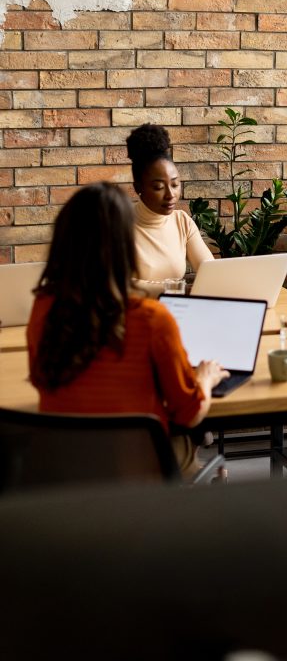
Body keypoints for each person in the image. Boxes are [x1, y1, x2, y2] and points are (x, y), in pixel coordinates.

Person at [27, 183, 227, 474]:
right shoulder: (152, 319)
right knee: (192, 438)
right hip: (137, 472)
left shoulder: (43, 309)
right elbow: (190, 412)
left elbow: (39, 379)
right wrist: (205, 379)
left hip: (65, 473)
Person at [126, 123, 213, 293]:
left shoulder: (181, 221)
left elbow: (210, 272)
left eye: (175, 184)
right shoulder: (119, 225)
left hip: (177, 312)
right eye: (158, 187)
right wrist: (178, 290)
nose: (170, 194)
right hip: (135, 315)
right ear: (138, 188)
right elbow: (120, 285)